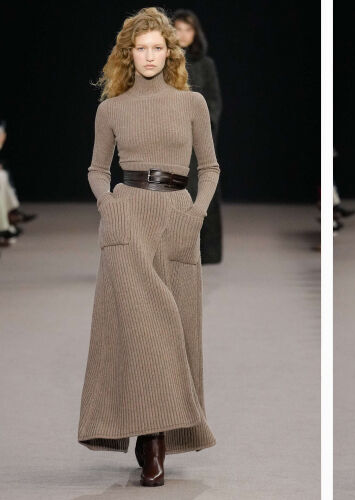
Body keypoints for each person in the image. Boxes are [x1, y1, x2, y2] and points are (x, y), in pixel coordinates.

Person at [77, 7, 220, 487]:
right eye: (141, 48)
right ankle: (153, 440)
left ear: (170, 53)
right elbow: (98, 169)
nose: (150, 56)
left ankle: (152, 433)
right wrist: (109, 206)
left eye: (158, 47)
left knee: (176, 329)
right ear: (128, 54)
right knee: (144, 330)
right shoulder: (111, 109)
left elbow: (210, 167)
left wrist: (195, 215)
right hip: (128, 220)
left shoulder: (191, 103)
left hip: (177, 218)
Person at [173, 9, 224, 264]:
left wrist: (203, 127)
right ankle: (177, 250)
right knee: (176, 190)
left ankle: (208, 251)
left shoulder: (206, 64)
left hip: (200, 137)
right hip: (173, 135)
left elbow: (214, 101)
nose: (183, 34)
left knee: (205, 189)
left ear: (196, 33)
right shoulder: (164, 62)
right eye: (178, 29)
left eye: (188, 29)